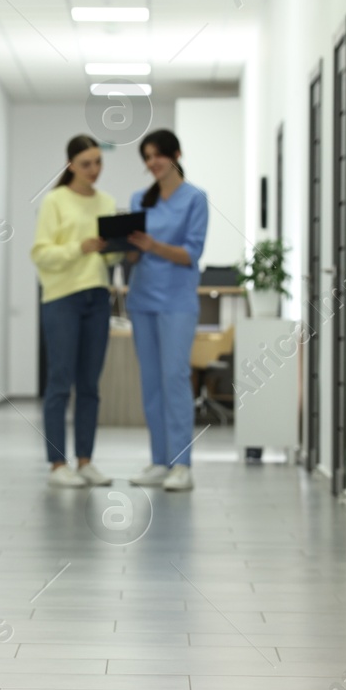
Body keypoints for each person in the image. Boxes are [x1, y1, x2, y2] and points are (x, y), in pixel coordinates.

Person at [30, 134, 122, 489]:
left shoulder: (107, 201)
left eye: (99, 162)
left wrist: (118, 248)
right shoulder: (55, 201)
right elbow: (40, 253)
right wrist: (78, 247)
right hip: (62, 298)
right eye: (87, 164)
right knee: (60, 382)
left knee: (89, 385)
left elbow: (108, 257)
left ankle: (85, 461)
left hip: (97, 297)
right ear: (71, 166)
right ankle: (57, 464)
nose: (94, 170)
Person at [126, 129, 209, 491]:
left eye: (157, 155)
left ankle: (182, 464)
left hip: (176, 301)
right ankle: (159, 460)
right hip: (142, 299)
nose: (152, 163)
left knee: (175, 378)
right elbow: (133, 253)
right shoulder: (139, 200)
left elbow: (191, 253)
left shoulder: (196, 199)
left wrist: (153, 245)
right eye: (147, 157)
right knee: (151, 382)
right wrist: (122, 245)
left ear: (176, 154)